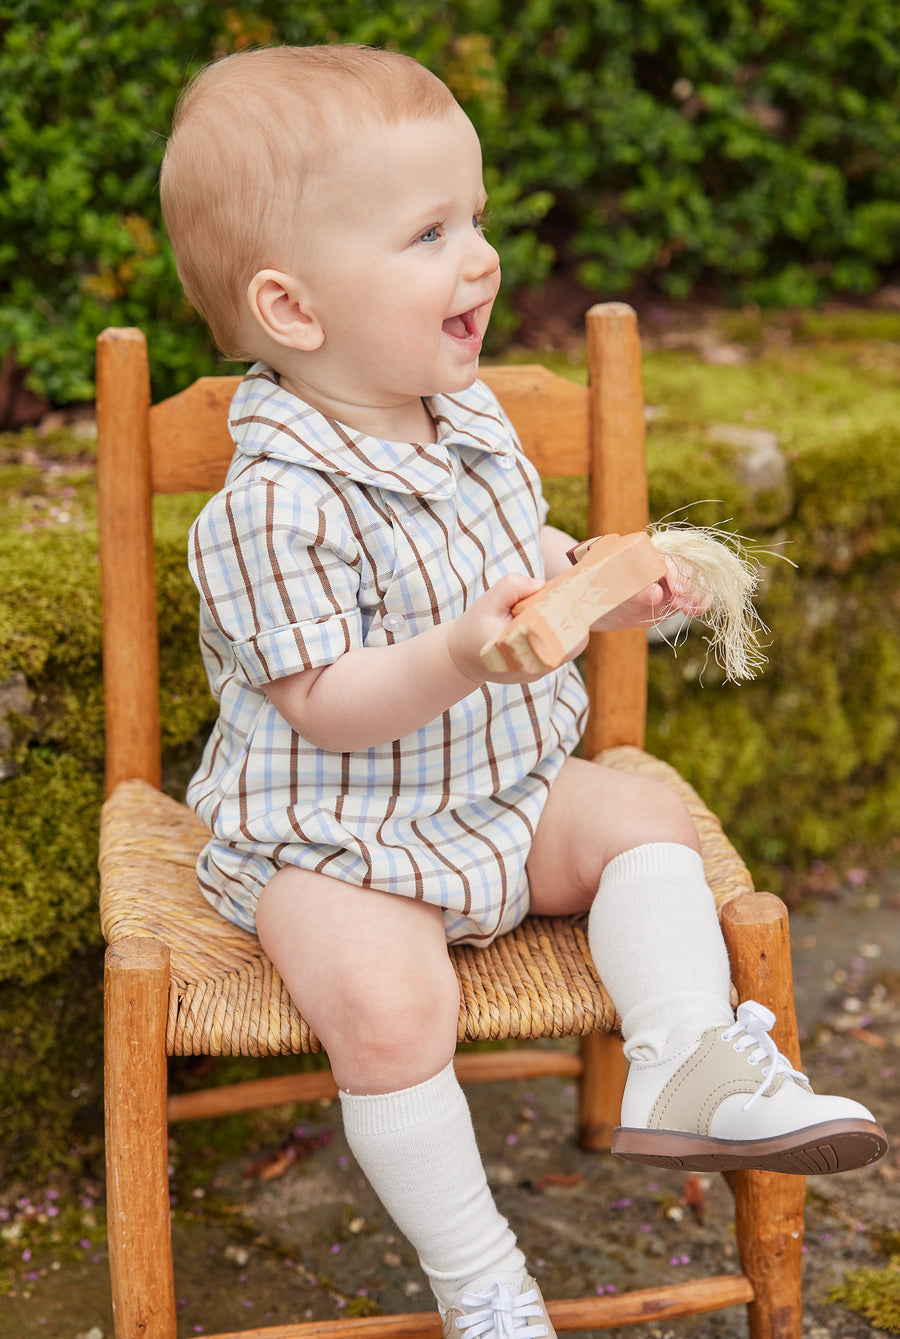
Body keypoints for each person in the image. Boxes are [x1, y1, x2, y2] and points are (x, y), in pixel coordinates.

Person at [160, 44, 887, 1339]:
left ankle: (685, 1064)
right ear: (293, 307)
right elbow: (322, 697)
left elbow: (520, 563)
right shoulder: (266, 503)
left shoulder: (470, 416)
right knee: (391, 1009)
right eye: (431, 231)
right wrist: (452, 652)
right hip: (336, 839)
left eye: (476, 217)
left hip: (503, 789)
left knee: (640, 823)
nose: (482, 258)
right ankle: (484, 1280)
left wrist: (603, 585)